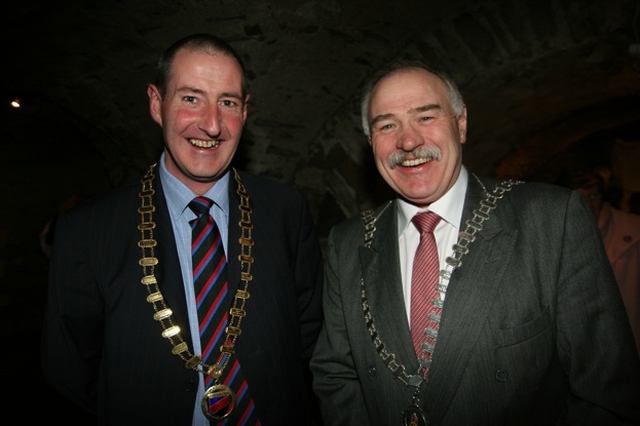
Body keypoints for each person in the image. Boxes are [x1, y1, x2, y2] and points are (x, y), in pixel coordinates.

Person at [309, 59, 640, 425]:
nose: (408, 140)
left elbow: (606, 392)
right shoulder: (349, 241)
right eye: (387, 125)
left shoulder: (550, 219)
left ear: (461, 123)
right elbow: (337, 374)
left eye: (426, 116)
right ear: (371, 142)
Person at [41, 33, 324, 425]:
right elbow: (71, 373)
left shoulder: (285, 211)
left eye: (227, 102)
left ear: (245, 111)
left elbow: (308, 336)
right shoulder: (88, 231)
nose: (211, 124)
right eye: (191, 98)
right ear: (157, 104)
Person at [557, 169, 640, 357]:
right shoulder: (552, 236)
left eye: (593, 195)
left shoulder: (633, 232)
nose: (588, 204)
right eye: (578, 197)